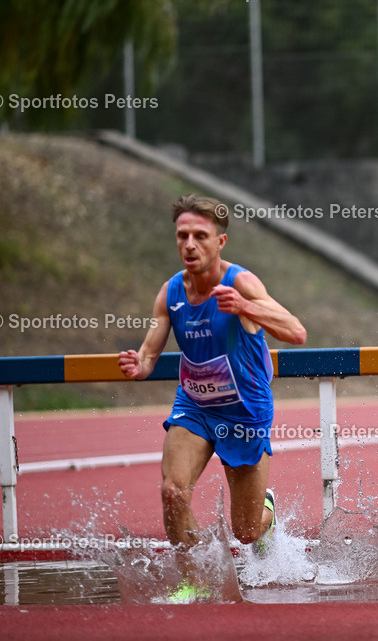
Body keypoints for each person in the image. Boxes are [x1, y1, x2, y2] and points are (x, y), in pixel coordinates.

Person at [118, 195, 307, 601]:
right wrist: (140, 364)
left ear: (220, 242)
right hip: (195, 407)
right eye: (182, 235)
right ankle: (195, 582)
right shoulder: (170, 292)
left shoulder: (241, 283)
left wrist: (245, 306)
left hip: (245, 411)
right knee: (172, 491)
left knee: (246, 531)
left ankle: (267, 513)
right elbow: (149, 354)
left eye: (200, 236)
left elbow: (296, 331)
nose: (189, 244)